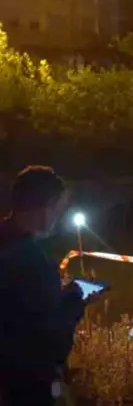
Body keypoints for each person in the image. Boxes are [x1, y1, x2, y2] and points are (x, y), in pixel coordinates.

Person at [0, 166, 85, 405]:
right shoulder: (37, 263)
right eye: (59, 208)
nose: (59, 218)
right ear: (47, 205)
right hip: (25, 386)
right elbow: (52, 342)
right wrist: (74, 302)